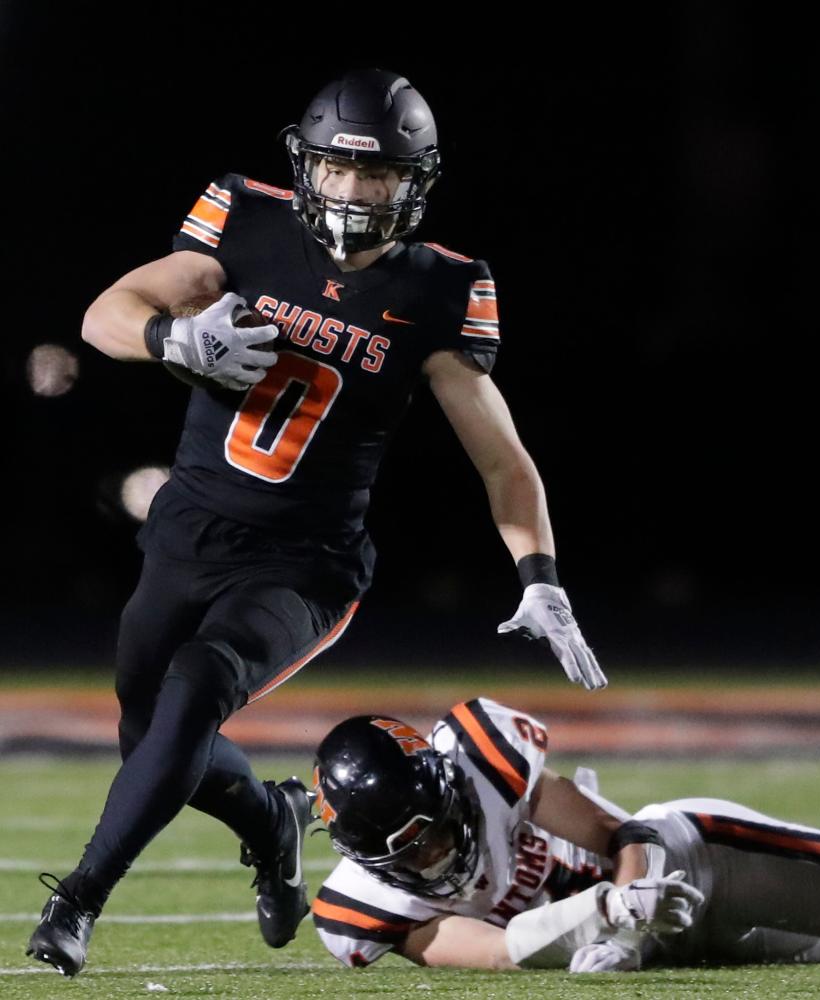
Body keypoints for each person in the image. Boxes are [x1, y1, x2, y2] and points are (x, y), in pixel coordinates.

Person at [26, 68, 603, 978]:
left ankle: (78, 902)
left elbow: (503, 458)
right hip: (187, 531)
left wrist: (541, 577)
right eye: (337, 168)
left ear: (412, 182)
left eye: (376, 175)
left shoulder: (440, 287)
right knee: (152, 735)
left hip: (306, 561)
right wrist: (167, 340)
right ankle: (274, 819)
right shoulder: (243, 220)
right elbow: (107, 311)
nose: (353, 190)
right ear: (306, 165)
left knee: (197, 684)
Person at [309, 616, 820, 971]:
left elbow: (630, 834)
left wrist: (628, 897)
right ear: (373, 861)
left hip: (692, 865)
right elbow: (496, 952)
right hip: (648, 940)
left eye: (444, 826)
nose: (442, 853)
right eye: (416, 850)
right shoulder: (361, 909)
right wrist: (611, 920)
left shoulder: (483, 759)